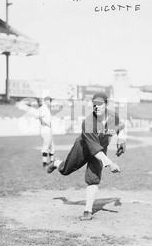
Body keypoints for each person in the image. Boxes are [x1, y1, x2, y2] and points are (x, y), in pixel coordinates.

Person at [47, 92, 126, 221]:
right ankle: (57, 163)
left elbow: (120, 126)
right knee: (65, 170)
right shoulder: (89, 122)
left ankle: (87, 211)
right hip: (83, 148)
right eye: (94, 104)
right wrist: (110, 163)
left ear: (107, 104)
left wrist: (121, 139)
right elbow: (94, 150)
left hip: (100, 149)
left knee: (93, 178)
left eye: (100, 104)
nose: (97, 107)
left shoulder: (113, 116)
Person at [38, 96, 55, 168]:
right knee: (46, 145)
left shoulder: (47, 108)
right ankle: (44, 163)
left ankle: (52, 161)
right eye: (48, 100)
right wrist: (46, 123)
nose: (49, 102)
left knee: (51, 145)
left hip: (48, 129)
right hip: (45, 129)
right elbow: (40, 117)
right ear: (45, 101)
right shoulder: (43, 108)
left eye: (50, 100)